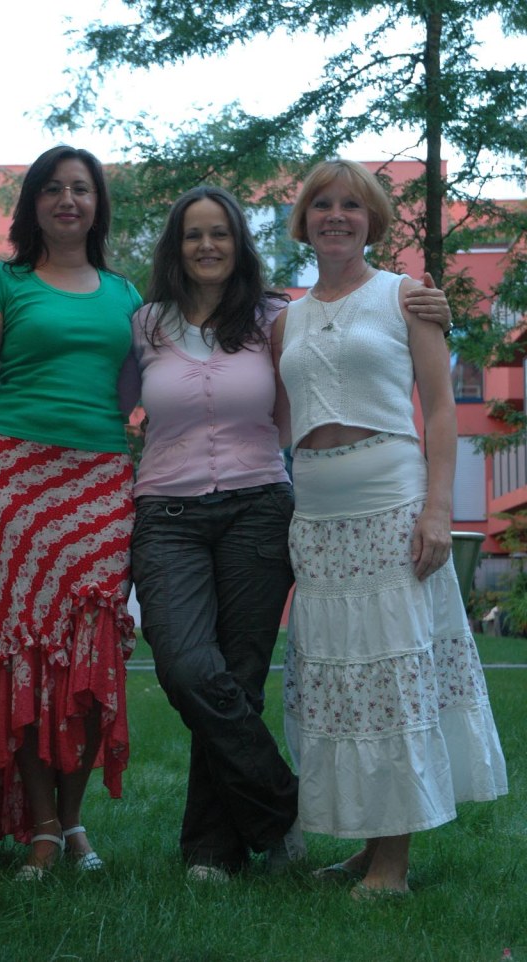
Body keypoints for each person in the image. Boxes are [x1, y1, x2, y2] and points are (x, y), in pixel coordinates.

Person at [128, 185, 453, 882]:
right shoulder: (145, 323)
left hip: (259, 506)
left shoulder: (274, 317)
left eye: (220, 232)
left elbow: (328, 375)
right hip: (168, 514)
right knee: (188, 668)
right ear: (175, 247)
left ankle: (212, 852)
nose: (207, 245)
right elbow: (105, 400)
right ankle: (281, 808)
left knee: (238, 679)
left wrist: (433, 309)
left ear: (239, 243)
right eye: (193, 234)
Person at [275, 159, 508, 899]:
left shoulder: (406, 296)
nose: (335, 216)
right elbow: (278, 421)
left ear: (372, 220)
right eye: (321, 205)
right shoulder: (285, 319)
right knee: (346, 681)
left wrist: (438, 509)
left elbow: (440, 409)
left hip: (391, 505)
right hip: (317, 517)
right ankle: (366, 846)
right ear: (304, 220)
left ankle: (393, 866)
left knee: (392, 674)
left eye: (351, 205)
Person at [0, 146, 142, 880]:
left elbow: (154, 383)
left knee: (91, 654)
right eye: (53, 189)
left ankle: (75, 817)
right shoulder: (1, 283)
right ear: (33, 203)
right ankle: (43, 826)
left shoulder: (126, 294)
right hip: (17, 481)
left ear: (97, 205)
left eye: (81, 189)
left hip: (102, 484)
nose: (68, 200)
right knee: (22, 653)